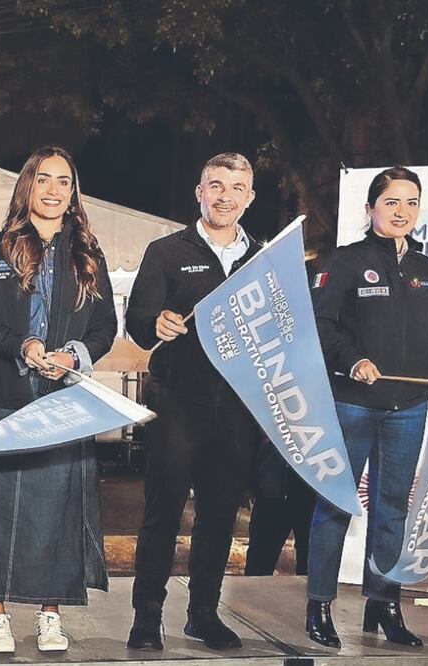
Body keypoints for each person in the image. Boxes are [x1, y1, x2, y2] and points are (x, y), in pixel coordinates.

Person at [0, 146, 117, 655]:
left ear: (73, 192)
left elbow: (106, 327)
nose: (53, 190)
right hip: (3, 397)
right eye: (44, 179)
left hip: (64, 404)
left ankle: (49, 613)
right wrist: (22, 345)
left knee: (57, 514)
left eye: (64, 181)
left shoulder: (89, 253)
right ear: (28, 186)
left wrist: (74, 354)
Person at [306, 166, 428, 649]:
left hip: (408, 409)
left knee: (393, 510)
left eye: (411, 203)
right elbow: (321, 324)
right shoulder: (346, 262)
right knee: (335, 505)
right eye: (392, 202)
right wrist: (353, 361)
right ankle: (320, 605)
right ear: (370, 209)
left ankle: (384, 603)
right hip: (353, 404)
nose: (402, 211)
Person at [125, 152, 262, 651]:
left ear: (249, 198)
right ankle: (146, 616)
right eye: (216, 185)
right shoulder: (165, 251)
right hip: (177, 404)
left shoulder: (262, 258)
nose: (225, 195)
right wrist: (153, 322)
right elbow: (138, 319)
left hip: (238, 410)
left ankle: (203, 613)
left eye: (236, 187)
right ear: (199, 192)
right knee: (162, 513)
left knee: (220, 516)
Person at [243, 438, 316, 577]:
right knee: (258, 567)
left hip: (312, 487)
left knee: (311, 570)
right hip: (272, 487)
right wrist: (249, 483)